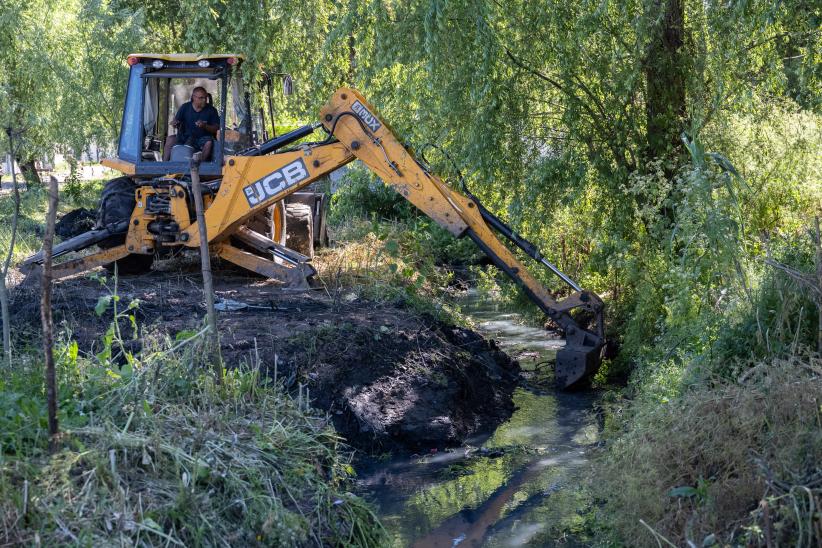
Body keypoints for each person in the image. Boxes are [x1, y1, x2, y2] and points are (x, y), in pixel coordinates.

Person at [163, 87, 220, 161]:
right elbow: (176, 121)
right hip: (185, 137)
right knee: (170, 139)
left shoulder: (212, 110)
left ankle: (199, 166)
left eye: (205, 98)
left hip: (202, 138)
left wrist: (205, 126)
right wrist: (175, 123)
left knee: (209, 142)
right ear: (194, 97)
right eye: (201, 98)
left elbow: (216, 128)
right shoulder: (185, 107)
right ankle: (164, 165)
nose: (204, 100)